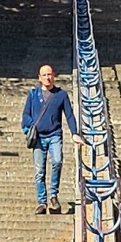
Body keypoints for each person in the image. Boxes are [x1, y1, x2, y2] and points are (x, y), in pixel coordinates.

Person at [20, 64, 79, 214]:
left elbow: (70, 115)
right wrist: (34, 124)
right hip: (39, 137)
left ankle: (53, 194)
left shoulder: (61, 95)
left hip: (54, 135)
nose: (47, 77)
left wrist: (75, 133)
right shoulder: (33, 95)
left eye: (49, 74)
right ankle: (42, 202)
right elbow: (25, 115)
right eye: (44, 75)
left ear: (54, 76)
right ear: (39, 78)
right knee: (39, 171)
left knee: (57, 161)